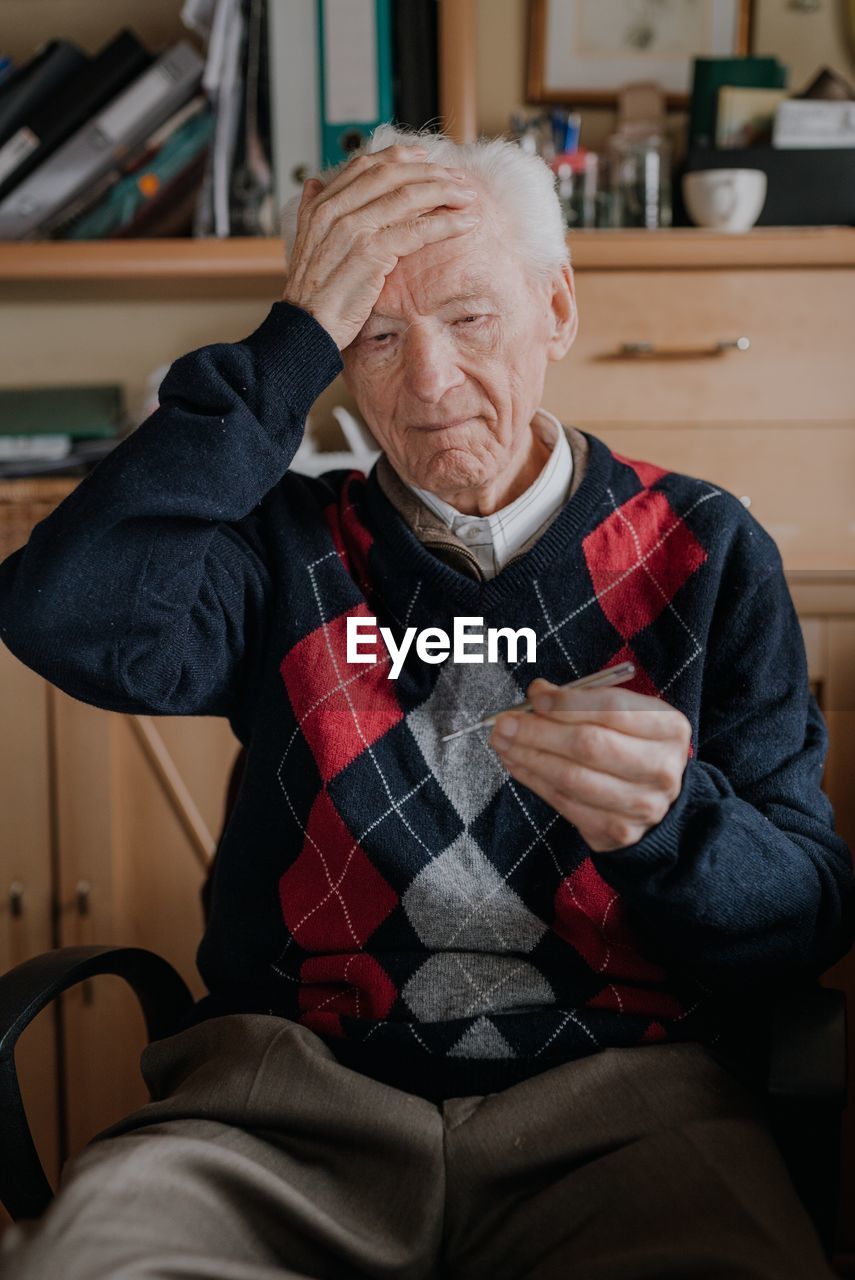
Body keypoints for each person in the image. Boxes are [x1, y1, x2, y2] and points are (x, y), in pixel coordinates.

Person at [0, 123, 852, 1280]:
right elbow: (61, 610)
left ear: (557, 309)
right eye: (377, 333)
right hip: (285, 1111)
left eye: (470, 317)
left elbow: (807, 915)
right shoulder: (283, 548)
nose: (431, 383)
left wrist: (676, 826)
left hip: (622, 1112)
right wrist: (289, 344)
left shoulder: (705, 549)